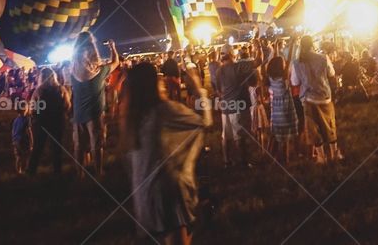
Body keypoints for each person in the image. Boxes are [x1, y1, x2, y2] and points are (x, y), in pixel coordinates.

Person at [122, 62, 212, 245]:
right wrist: (198, 91)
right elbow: (202, 121)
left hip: (145, 197)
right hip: (168, 194)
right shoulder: (164, 112)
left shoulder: (131, 121)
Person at [70, 33, 120, 178]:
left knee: (79, 145)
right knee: (96, 143)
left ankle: (79, 173)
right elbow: (115, 62)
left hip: (78, 113)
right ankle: (98, 171)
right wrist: (112, 47)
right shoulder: (100, 72)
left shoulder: (72, 73)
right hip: (95, 112)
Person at [291, 36, 342, 163]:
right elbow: (331, 73)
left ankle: (321, 157)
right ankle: (334, 153)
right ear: (312, 44)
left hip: (308, 98)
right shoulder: (323, 57)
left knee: (313, 129)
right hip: (324, 96)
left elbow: (294, 81)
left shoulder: (296, 62)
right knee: (329, 124)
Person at [211, 42, 261, 168]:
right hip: (239, 106)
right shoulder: (239, 66)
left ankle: (226, 162)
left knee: (226, 136)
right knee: (240, 137)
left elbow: (218, 90)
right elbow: (258, 61)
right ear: (231, 54)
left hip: (226, 108)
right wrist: (258, 47)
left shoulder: (218, 71)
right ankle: (243, 163)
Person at [27, 67, 71, 176]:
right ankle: (57, 171)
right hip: (58, 121)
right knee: (57, 148)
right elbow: (67, 105)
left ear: (41, 78)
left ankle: (31, 171)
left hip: (42, 122)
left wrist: (35, 116)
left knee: (38, 148)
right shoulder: (61, 89)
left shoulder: (39, 91)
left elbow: (32, 108)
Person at [265, 56, 297, 165]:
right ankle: (285, 161)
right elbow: (288, 62)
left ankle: (272, 159)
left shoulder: (270, 79)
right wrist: (292, 44)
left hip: (276, 112)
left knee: (276, 137)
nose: (285, 64)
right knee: (285, 140)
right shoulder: (284, 79)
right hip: (285, 111)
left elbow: (281, 62)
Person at [12, 102, 32, 175]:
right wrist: (31, 142)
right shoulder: (27, 119)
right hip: (23, 140)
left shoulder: (15, 120)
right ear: (25, 109)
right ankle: (27, 168)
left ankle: (18, 171)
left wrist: (14, 140)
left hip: (16, 140)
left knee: (18, 156)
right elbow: (29, 131)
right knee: (28, 154)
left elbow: (13, 131)